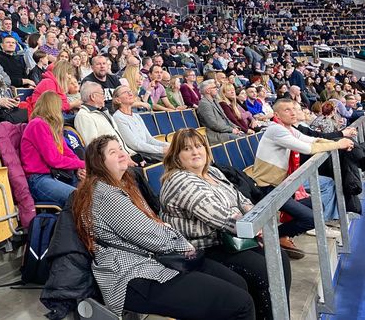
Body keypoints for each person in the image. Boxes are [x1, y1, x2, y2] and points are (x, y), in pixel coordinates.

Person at [72, 135, 255, 319]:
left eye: (120, 148)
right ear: (99, 162)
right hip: (134, 276)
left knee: (237, 283)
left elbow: (153, 228)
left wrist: (169, 233)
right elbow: (152, 235)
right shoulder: (106, 195)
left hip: (157, 260)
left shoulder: (125, 183)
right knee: (240, 303)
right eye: (113, 152)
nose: (121, 153)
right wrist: (184, 245)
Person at [160, 128, 291, 320]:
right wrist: (257, 228)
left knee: (281, 259)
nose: (195, 152)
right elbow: (221, 218)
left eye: (198, 146)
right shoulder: (180, 180)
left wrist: (256, 220)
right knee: (263, 271)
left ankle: (280, 315)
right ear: (177, 156)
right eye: (187, 149)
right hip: (202, 248)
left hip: (228, 240)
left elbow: (241, 199)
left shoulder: (211, 171)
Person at [251, 98, 353, 259]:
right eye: (287, 110)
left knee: (315, 203)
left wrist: (339, 141)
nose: (292, 112)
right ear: (276, 114)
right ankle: (273, 236)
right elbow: (308, 148)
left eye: (293, 109)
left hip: (281, 185)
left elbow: (312, 140)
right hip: (267, 188)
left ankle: (284, 235)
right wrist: (339, 144)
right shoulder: (276, 130)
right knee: (311, 218)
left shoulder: (290, 129)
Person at [20, 91, 86, 207]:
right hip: (39, 179)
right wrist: (82, 163)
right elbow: (54, 160)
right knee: (79, 198)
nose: (62, 110)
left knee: (94, 192)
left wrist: (79, 167)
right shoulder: (37, 124)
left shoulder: (53, 126)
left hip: (58, 175)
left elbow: (67, 152)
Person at [75, 81, 139, 162]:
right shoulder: (84, 116)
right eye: (102, 93)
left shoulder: (102, 112)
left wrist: (134, 155)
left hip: (128, 155)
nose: (104, 96)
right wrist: (123, 159)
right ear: (93, 96)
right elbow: (94, 148)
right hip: (116, 162)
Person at [113, 85, 170, 162]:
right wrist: (162, 150)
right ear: (118, 100)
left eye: (130, 91)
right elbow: (135, 145)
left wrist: (168, 145)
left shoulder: (137, 116)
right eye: (125, 92)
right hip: (140, 155)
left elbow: (149, 139)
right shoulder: (118, 117)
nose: (130, 94)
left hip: (149, 152)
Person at [197, 79, 242, 144]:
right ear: (208, 90)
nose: (217, 89)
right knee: (240, 139)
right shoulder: (204, 104)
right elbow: (213, 124)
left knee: (243, 135)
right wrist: (231, 130)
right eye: (214, 87)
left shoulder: (215, 101)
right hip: (216, 135)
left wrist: (235, 127)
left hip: (225, 132)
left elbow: (226, 119)